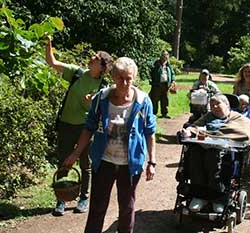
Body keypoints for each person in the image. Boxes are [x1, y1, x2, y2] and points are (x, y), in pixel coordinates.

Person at [63, 57, 157, 233]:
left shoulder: (143, 102)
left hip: (130, 165)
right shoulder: (102, 98)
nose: (125, 82)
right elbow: (89, 128)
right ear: (113, 77)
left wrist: (152, 162)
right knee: (97, 207)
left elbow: (150, 133)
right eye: (120, 77)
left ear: (134, 78)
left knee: (127, 208)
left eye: (129, 78)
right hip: (103, 161)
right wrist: (76, 153)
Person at [45, 36, 114, 216]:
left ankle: (83, 198)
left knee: (85, 164)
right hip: (66, 125)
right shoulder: (77, 73)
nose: (92, 57)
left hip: (86, 128)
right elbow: (52, 62)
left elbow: (100, 110)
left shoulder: (103, 86)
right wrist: (48, 43)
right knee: (63, 162)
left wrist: (91, 103)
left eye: (96, 57)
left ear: (102, 67)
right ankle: (61, 199)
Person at [181, 94, 250, 213]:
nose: (214, 106)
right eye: (212, 105)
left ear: (227, 105)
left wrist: (217, 133)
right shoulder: (208, 116)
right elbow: (194, 127)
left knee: (213, 156)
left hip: (226, 152)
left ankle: (217, 198)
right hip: (204, 147)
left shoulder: (237, 118)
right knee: (194, 153)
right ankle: (199, 196)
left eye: (217, 104)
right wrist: (188, 131)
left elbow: (245, 132)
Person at [149, 50, 176, 119]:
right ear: (161, 56)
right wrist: (151, 80)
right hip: (157, 85)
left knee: (165, 99)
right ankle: (153, 113)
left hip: (166, 85)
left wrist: (173, 81)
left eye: (166, 56)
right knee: (155, 99)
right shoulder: (156, 64)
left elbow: (172, 74)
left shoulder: (168, 65)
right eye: (164, 56)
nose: (165, 57)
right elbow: (150, 72)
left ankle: (164, 113)